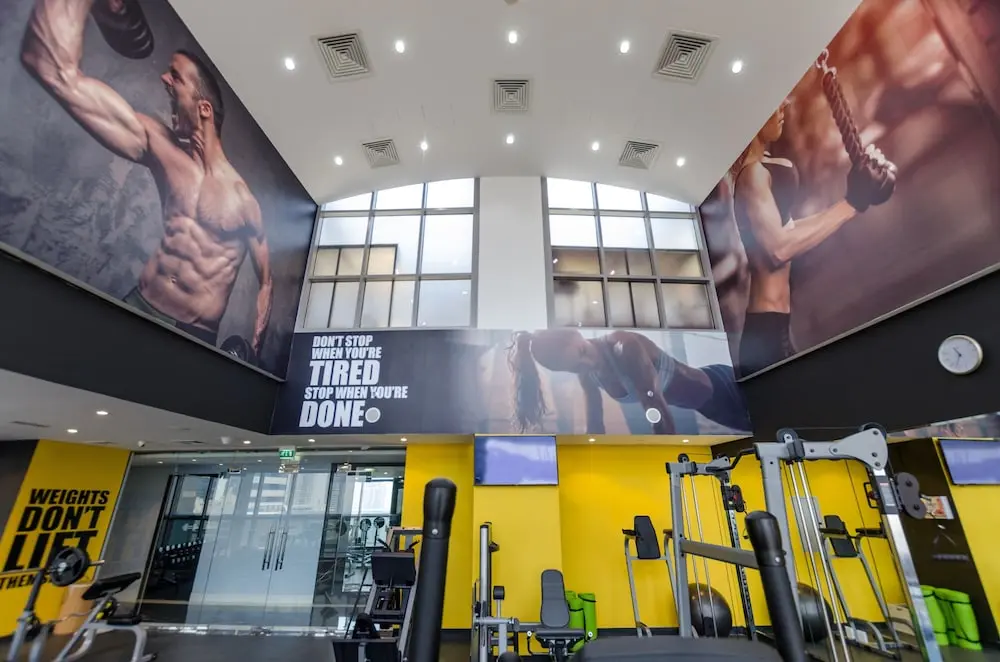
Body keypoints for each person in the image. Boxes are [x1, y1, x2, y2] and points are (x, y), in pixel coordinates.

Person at [20, 0, 273, 355]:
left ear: (204, 109)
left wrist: (257, 335)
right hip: (139, 303)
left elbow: (266, 280)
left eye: (176, 76)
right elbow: (52, 68)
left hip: (191, 332)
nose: (164, 78)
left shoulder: (244, 201)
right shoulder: (158, 145)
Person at [731, 99, 895, 377]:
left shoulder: (761, 169)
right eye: (774, 102)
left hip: (777, 324)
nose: (784, 105)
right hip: (765, 333)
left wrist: (855, 201)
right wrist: (851, 203)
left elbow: (787, 231)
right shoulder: (752, 176)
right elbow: (779, 249)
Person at [506, 329, 751, 435]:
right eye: (577, 367)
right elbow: (595, 422)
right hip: (707, 406)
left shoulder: (624, 347)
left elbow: (654, 405)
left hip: (722, 386)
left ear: (578, 334)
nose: (588, 363)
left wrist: (665, 458)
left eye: (583, 352)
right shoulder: (587, 372)